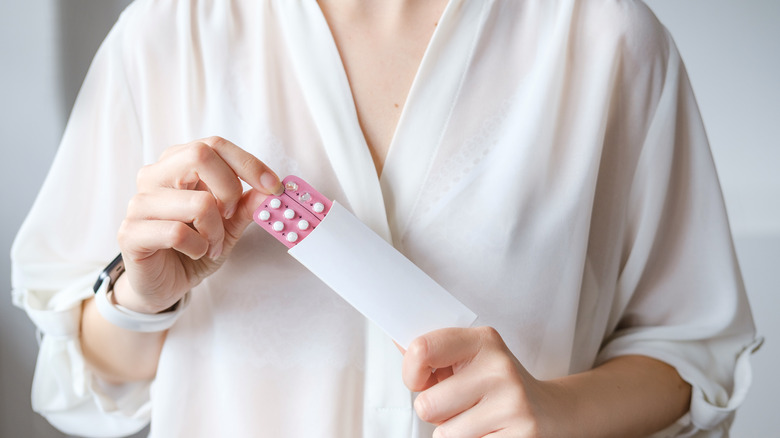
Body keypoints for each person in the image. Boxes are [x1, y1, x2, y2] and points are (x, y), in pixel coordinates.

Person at [11, 0, 760, 437]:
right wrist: (143, 301)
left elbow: (694, 352)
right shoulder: (172, 32)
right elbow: (81, 383)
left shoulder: (606, 41)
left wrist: (557, 410)